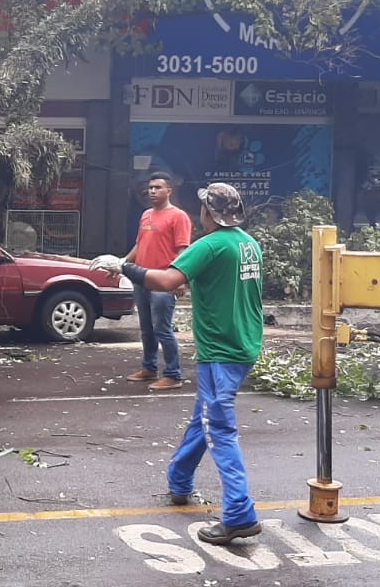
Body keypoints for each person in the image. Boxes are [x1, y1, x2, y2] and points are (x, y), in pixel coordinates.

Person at [93, 182, 264, 545]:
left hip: (221, 350)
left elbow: (167, 280)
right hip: (244, 344)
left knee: (219, 429)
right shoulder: (249, 244)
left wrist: (124, 268)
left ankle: (239, 514)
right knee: (203, 417)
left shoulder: (211, 245)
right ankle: (180, 480)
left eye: (202, 206)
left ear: (209, 213)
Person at [122, 172, 192, 391]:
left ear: (169, 190)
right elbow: (139, 246)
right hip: (143, 279)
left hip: (164, 281)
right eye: (150, 188)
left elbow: (183, 250)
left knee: (162, 328)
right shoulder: (145, 215)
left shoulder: (178, 216)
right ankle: (149, 368)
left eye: (157, 188)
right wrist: (120, 264)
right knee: (146, 329)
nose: (152, 191)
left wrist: (179, 279)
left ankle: (173, 374)